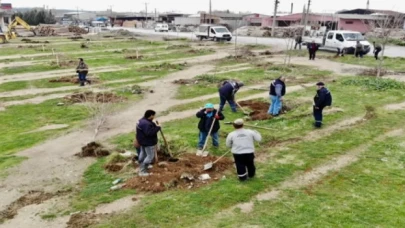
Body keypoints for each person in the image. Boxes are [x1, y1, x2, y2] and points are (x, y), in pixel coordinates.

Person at [136, 110, 161, 176]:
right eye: (154, 115)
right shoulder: (146, 124)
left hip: (142, 141)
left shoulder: (142, 120)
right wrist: (158, 127)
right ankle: (142, 171)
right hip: (148, 142)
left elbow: (149, 127)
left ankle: (142, 166)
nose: (154, 117)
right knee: (150, 156)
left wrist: (155, 125)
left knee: (143, 154)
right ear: (151, 115)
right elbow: (150, 133)